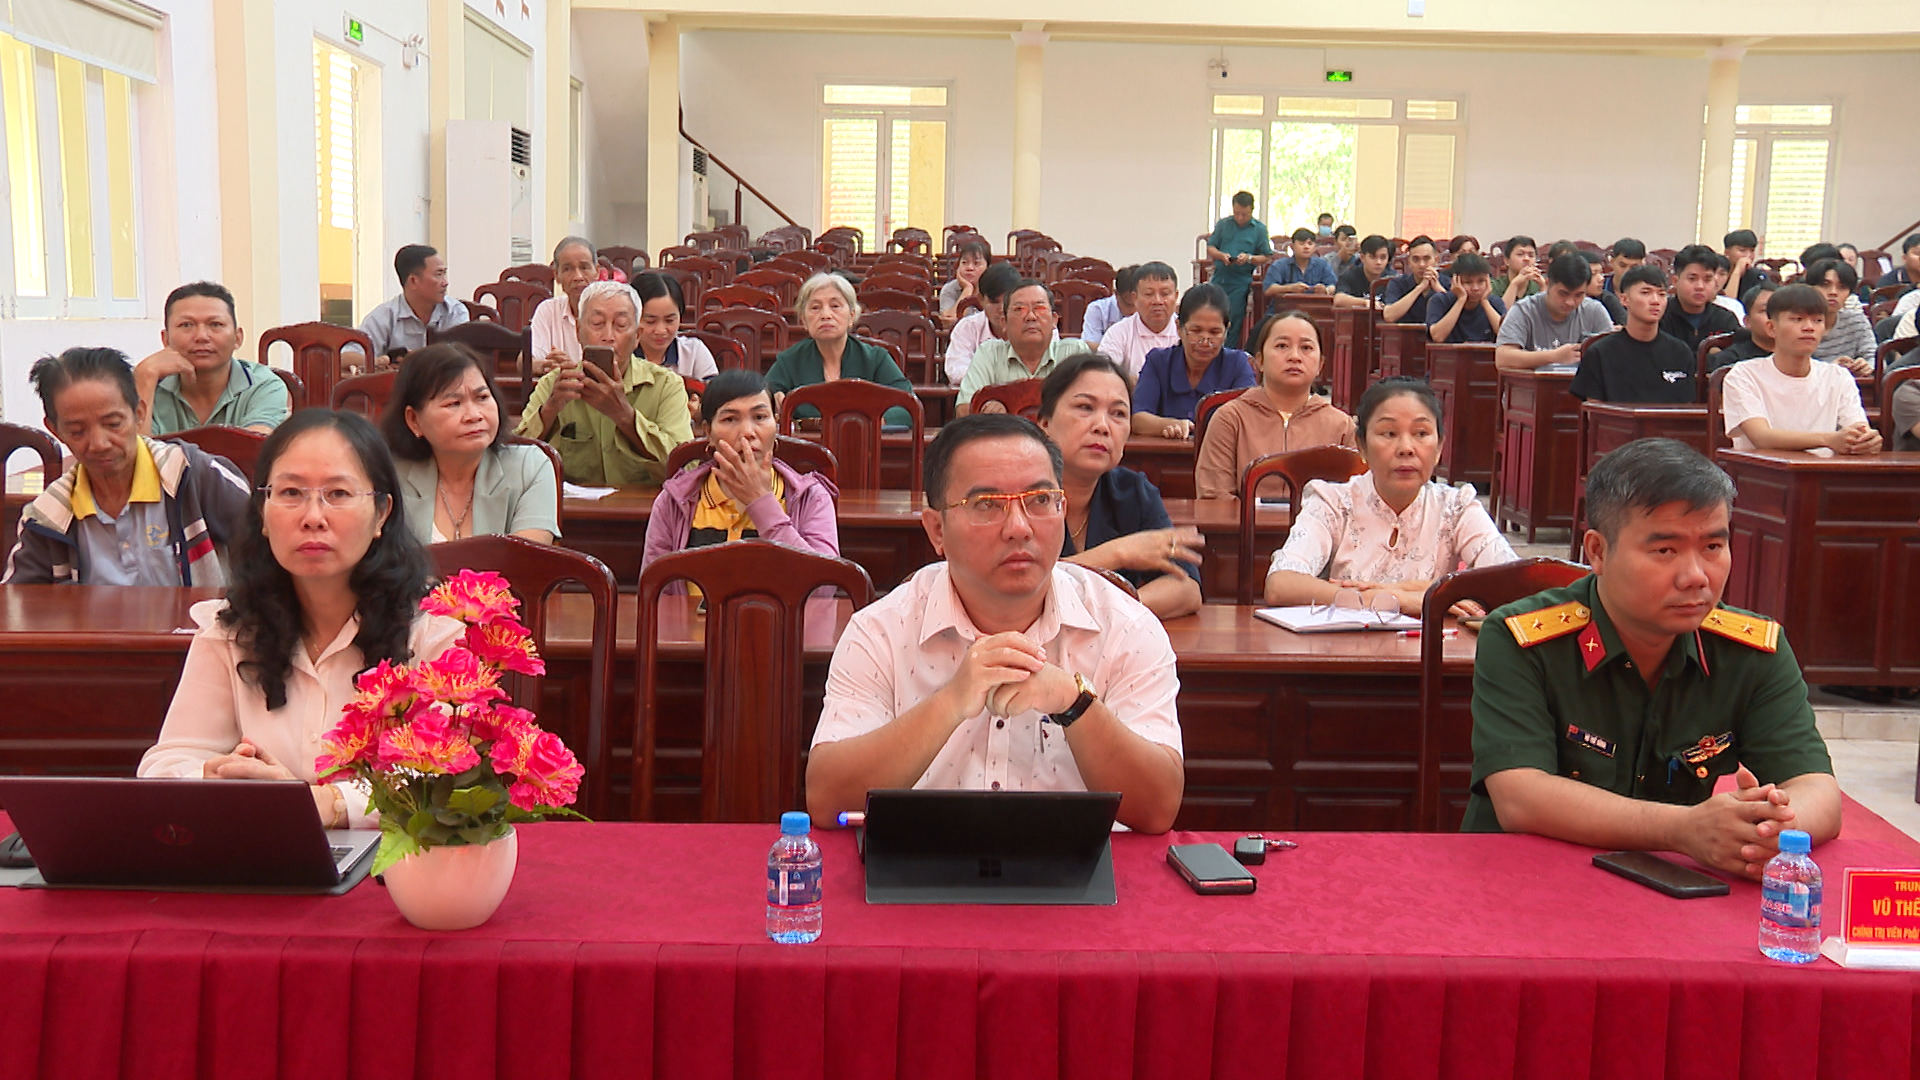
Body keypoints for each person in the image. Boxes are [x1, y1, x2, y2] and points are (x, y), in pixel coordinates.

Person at [1463, 438, 1840, 878]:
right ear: (1597, 551)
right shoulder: (1521, 640)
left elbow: (1819, 792)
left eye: (1713, 547)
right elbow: (1520, 797)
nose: (1695, 576)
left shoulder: (1752, 651)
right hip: (1526, 881)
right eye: (1665, 551)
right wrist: (1684, 829)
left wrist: (1769, 831)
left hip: (1673, 891)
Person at [804, 413, 1186, 833]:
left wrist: (1074, 702)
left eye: (1040, 500)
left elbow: (1157, 810)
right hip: (921, 864)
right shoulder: (880, 630)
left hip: (1078, 870)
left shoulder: (1127, 628)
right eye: (986, 505)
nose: (1019, 528)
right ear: (937, 530)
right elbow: (828, 800)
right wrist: (950, 702)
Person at [137, 410, 463, 829]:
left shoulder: (434, 630)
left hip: (398, 863)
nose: (313, 517)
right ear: (263, 512)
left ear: (381, 513)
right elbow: (166, 763)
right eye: (291, 492)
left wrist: (327, 803)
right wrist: (215, 776)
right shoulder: (230, 630)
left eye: (338, 494)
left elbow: (447, 774)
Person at [1262, 377, 1515, 616]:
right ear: (1362, 446)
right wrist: (1399, 600)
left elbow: (1515, 583)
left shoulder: (1456, 507)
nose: (1406, 448)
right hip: (1347, 644)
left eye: (1421, 434)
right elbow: (1280, 584)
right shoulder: (1333, 501)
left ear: (1439, 447)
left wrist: (1404, 590)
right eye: (1389, 434)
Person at [4, 347, 251, 586]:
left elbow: (264, 549)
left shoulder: (192, 475)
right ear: (55, 430)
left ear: (139, 413)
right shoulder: (48, 516)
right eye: (77, 431)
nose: (99, 444)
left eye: (113, 424)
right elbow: (18, 601)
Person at [1031, 354, 1204, 620]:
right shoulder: (1014, 493)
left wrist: (1112, 615)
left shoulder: (1133, 491)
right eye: (1085, 407)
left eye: (1118, 414)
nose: (1102, 426)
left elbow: (1187, 589)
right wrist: (1119, 553)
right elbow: (1020, 593)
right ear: (1044, 423)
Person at [641, 368, 840, 574]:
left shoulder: (811, 497)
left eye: (760, 417)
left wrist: (762, 503)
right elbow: (655, 586)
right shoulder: (674, 501)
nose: (747, 432)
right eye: (730, 419)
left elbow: (824, 584)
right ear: (708, 432)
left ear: (776, 424)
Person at [515, 280, 693, 486]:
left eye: (621, 325)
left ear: (637, 336)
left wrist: (624, 416)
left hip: (646, 505)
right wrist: (549, 410)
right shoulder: (554, 384)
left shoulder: (666, 386)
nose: (608, 336)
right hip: (572, 506)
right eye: (597, 324)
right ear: (578, 331)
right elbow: (514, 460)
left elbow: (686, 468)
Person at [381, 342, 559, 545]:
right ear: (414, 419)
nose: (474, 415)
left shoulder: (529, 468)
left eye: (482, 397)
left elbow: (526, 558)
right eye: (454, 403)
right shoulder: (390, 476)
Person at [1195, 310, 1356, 500]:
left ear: (1320, 365)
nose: (1294, 356)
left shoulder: (1341, 426)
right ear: (1260, 361)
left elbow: (1355, 498)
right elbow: (1214, 496)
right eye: (1282, 346)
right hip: (1246, 520)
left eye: (1306, 348)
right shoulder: (1231, 418)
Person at [1721, 284, 1879, 456]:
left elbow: (1859, 430)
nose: (1809, 327)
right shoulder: (1744, 375)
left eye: (1818, 321)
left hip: (1823, 469)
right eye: (1797, 319)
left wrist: (1866, 441)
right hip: (1762, 470)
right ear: (1772, 328)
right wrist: (1828, 440)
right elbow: (1761, 437)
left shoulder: (1838, 376)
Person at [135, 282, 289, 436]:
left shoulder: (264, 386)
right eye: (186, 325)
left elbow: (250, 447)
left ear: (237, 338)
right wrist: (145, 376)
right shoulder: (148, 383)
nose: (201, 336)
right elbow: (134, 449)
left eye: (215, 324)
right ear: (166, 339)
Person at [766, 272, 916, 427]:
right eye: (815, 307)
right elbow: (762, 400)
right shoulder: (790, 361)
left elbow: (908, 405)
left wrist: (871, 421)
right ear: (803, 320)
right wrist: (775, 403)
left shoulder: (876, 359)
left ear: (852, 316)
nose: (826, 315)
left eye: (835, 306)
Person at [1130, 283, 1256, 438]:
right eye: (1196, 331)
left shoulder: (1237, 364)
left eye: (1214, 332)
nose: (1205, 342)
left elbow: (1250, 419)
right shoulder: (1158, 362)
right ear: (1179, 328)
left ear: (1226, 331)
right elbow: (1138, 419)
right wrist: (1169, 425)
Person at [958, 280, 1090, 414]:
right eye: (1019, 309)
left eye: (1040, 308)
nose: (1031, 317)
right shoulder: (989, 354)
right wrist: (986, 409)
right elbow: (963, 410)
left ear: (1054, 320)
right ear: (1004, 322)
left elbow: (1093, 406)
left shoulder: (1074, 353)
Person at [1570, 265, 1696, 404]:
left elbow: (1685, 409)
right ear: (1624, 299)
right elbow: (1594, 411)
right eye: (1645, 293)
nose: (1655, 301)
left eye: (1661, 294)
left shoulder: (1680, 352)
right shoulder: (1599, 353)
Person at [1494, 253, 1617, 370]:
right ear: (1547, 284)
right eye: (1563, 293)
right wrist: (1554, 356)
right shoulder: (1524, 310)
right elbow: (1503, 358)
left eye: (1579, 295)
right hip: (1535, 384)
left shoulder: (1594, 311)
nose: (1570, 302)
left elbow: (1613, 357)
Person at [360, 244, 469, 359]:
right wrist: (379, 362)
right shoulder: (384, 316)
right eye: (438, 274)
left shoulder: (455, 311)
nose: (445, 282)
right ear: (413, 281)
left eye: (444, 273)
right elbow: (350, 354)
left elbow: (462, 359)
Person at [1205, 193, 1272, 347]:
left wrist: (1249, 258)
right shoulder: (1223, 224)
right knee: (1213, 314)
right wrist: (1221, 256)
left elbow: (1266, 256)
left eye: (1244, 214)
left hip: (1241, 282)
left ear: (1252, 210)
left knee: (1233, 319)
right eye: (1237, 213)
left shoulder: (1259, 229)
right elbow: (1211, 247)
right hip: (1220, 277)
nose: (1240, 217)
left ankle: (1228, 351)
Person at [946, 261, 1025, 385]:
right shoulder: (967, 327)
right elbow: (955, 371)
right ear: (981, 300)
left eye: (1007, 301)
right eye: (994, 302)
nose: (1001, 309)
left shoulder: (1037, 325)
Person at [1098, 261, 1181, 377]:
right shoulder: (1118, 332)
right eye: (1149, 294)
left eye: (1165, 294)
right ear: (1135, 298)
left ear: (1176, 296)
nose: (1157, 301)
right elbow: (1102, 374)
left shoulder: (1186, 331)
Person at [530, 236, 600, 373]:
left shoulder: (612, 308)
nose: (578, 277)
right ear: (556, 275)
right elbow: (525, 360)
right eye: (568, 269)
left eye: (584, 267)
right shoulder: (548, 310)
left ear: (597, 271)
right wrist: (547, 366)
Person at [1656, 245, 1742, 355]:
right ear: (1675, 281)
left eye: (1707, 280)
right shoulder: (1660, 316)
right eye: (1692, 279)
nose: (1700, 287)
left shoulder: (1725, 319)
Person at [1803, 259, 1876, 375]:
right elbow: (1792, 365)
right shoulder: (1798, 324)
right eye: (1825, 285)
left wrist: (1866, 365)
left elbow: (1874, 357)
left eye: (1842, 287)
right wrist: (1831, 369)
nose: (1833, 292)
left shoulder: (1856, 320)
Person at [1424, 252, 1505, 344]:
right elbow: (1437, 337)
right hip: (1450, 353)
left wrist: (1485, 302)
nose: (1475, 288)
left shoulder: (1495, 302)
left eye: (1481, 281)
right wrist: (1461, 300)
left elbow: (1506, 335)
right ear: (1454, 281)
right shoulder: (1440, 301)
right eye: (1468, 282)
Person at [1380, 236, 1448, 325]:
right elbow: (1389, 316)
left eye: (1426, 258)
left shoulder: (1447, 282)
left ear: (1437, 260)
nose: (1421, 265)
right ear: (1409, 262)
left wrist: (1439, 289)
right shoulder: (1397, 284)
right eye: (1416, 259)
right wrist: (1420, 287)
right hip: (1406, 333)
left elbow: (1458, 315)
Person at [1710, 281, 1779, 369]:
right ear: (1747, 321)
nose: (1773, 317)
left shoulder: (1794, 354)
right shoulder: (1731, 360)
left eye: (1779, 310)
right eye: (1764, 310)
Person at [1262, 227, 1337, 306]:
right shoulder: (1280, 265)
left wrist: (1326, 290)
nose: (1306, 247)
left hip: (1315, 308)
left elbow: (1334, 286)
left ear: (1315, 247)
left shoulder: (1322, 264)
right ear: (1292, 246)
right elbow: (1268, 289)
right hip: (1285, 308)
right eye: (1301, 244)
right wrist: (1290, 288)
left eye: (1310, 244)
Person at [1080, 264, 1138, 345]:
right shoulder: (1097, 309)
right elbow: (1090, 344)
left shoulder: (1150, 310)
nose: (1135, 310)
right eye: (1129, 305)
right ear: (1116, 294)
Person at [1333, 234, 1392, 310]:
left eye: (1383, 257)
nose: (1378, 262)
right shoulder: (1349, 275)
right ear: (1362, 257)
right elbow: (1338, 299)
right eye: (1373, 257)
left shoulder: (1393, 279)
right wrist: (1365, 302)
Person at [939, 240, 990, 325]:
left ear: (987, 267)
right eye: (964, 263)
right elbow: (948, 323)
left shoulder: (993, 289)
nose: (969, 268)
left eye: (976, 263)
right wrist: (967, 289)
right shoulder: (949, 289)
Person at [1491, 235, 1543, 306]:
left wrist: (1543, 286)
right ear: (1506, 261)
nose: (1526, 259)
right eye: (1520, 254)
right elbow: (1503, 312)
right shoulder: (1495, 286)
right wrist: (1514, 284)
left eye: (1531, 255)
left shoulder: (1538, 285)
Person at [1584, 251, 1628, 325]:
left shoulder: (1607, 299)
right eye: (1593, 274)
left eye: (1601, 273)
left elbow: (1625, 325)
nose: (1601, 278)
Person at [1723, 228, 1767, 301]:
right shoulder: (1718, 274)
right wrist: (1737, 271)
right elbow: (1728, 303)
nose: (1748, 255)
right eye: (1742, 250)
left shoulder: (1757, 275)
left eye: (1752, 251)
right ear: (1727, 252)